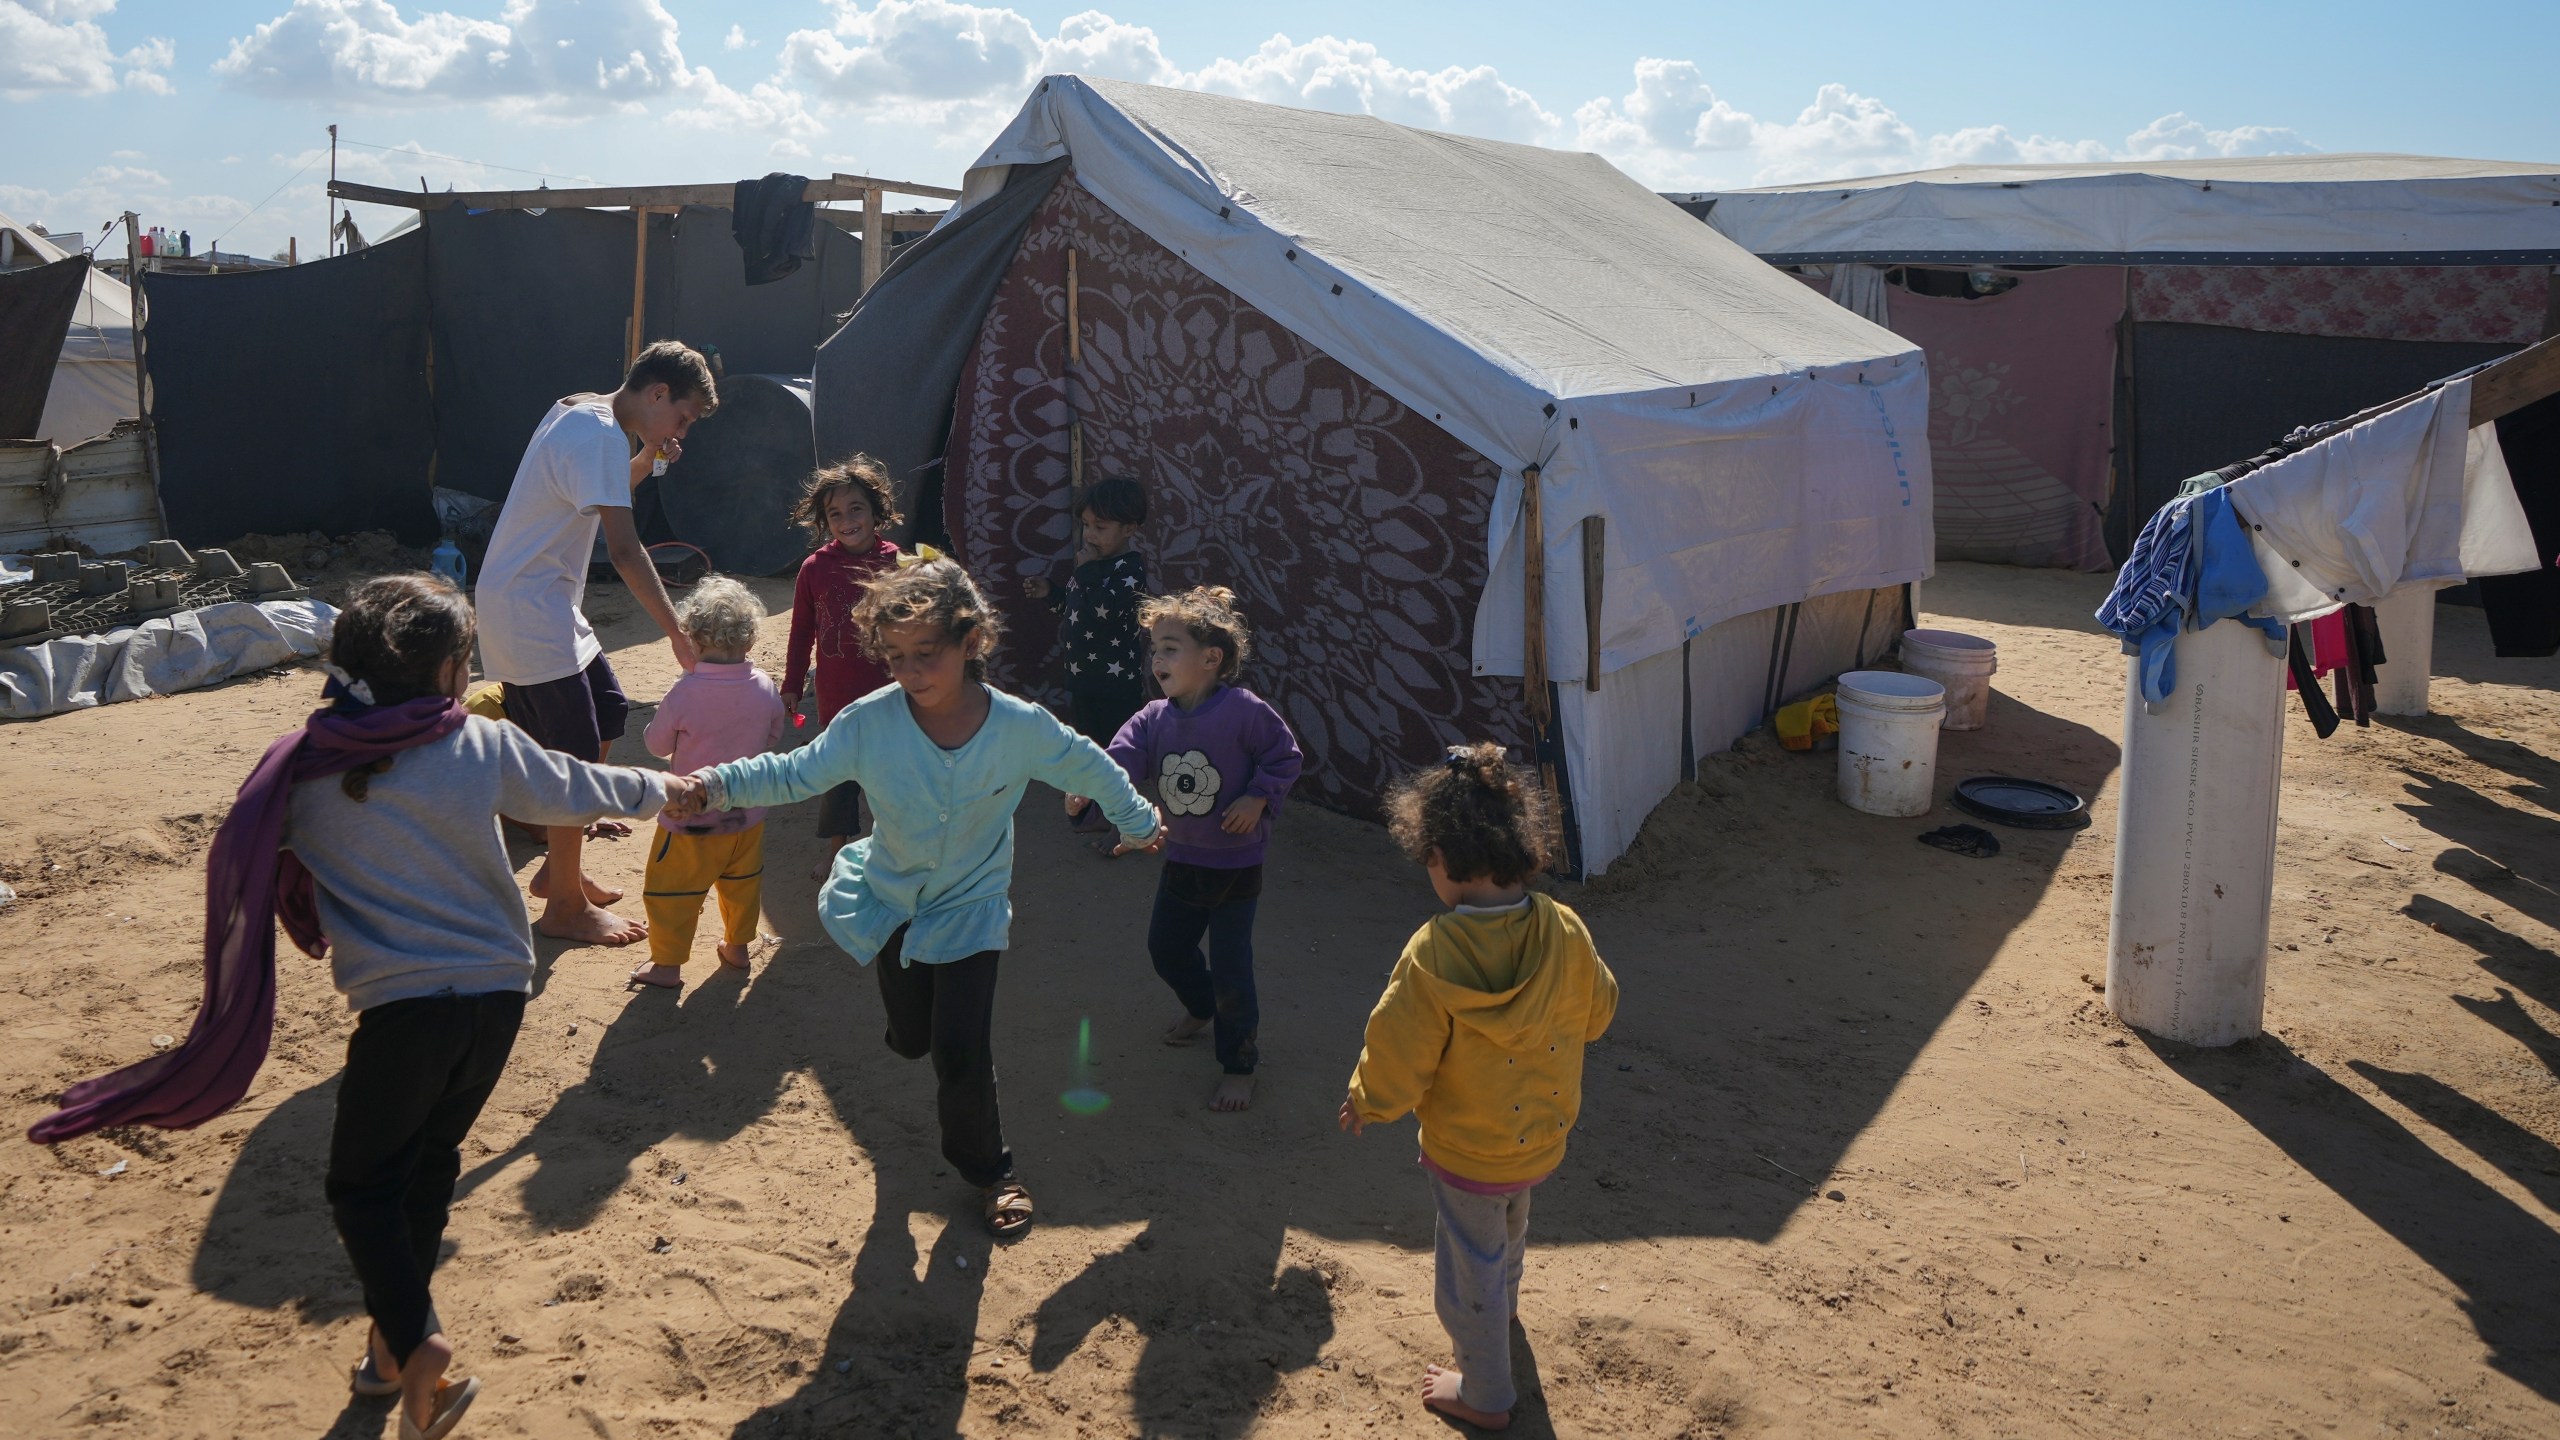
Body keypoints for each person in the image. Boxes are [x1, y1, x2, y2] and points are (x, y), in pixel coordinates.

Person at [663, 558, 1162, 1238]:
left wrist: (1138, 822)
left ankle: (990, 1172)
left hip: (973, 909)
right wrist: (713, 783)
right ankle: (910, 1029)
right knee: (911, 1038)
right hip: (892, 898)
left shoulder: (1020, 727)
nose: (911, 672)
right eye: (896, 658)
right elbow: (792, 773)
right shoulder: (870, 723)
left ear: (972, 641)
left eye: (927, 654)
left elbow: (1090, 765)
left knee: (961, 1050)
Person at [306, 576, 670, 1438]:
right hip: (496, 1002)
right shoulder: (478, 743)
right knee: (428, 1167)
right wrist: (672, 789)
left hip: (403, 1012)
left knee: (361, 1188)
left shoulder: (309, 770)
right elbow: (580, 787)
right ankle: (390, 1354)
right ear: (447, 672)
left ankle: (419, 1342)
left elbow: (250, 854)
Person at [1337, 743, 1619, 1432]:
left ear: (1437, 856)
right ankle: (1508, 1302)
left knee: (1468, 1273)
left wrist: (1369, 1099)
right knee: (1510, 1226)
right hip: (1542, 1133)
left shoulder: (1434, 952)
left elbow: (1399, 1048)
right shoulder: (1564, 926)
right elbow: (1600, 1010)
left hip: (1468, 1149)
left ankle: (1486, 1392)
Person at [474, 340, 718, 947]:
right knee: (574, 745)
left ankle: (562, 865)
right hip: (526, 609)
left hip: (549, 603)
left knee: (608, 712)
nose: (683, 427)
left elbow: (605, 488)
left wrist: (650, 455)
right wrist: (678, 635)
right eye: (682, 415)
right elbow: (626, 549)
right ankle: (563, 906)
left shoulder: (589, 414)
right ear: (657, 392)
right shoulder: (596, 434)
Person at [1079, 585, 1301, 1112]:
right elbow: (1118, 767)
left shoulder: (1245, 711)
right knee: (1166, 951)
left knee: (1231, 967)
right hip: (1182, 859)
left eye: (1170, 647)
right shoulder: (1152, 718)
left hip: (1237, 866)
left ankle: (1239, 1064)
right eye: (1154, 648)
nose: (1157, 658)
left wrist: (1256, 796)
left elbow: (1284, 757)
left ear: (1211, 658)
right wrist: (1086, 800)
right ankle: (1200, 1007)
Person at [632, 577, 787, 990]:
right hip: (747, 817)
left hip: (690, 817)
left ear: (694, 640)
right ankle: (737, 947)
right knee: (742, 885)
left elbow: (655, 744)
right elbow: (774, 735)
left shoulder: (684, 693)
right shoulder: (765, 687)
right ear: (749, 641)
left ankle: (666, 965)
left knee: (671, 892)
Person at [779, 456, 905, 879]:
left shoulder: (899, 564)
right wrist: (793, 684)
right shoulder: (815, 569)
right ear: (823, 521)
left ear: (876, 512)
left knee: (891, 776)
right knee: (839, 778)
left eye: (856, 509)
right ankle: (837, 852)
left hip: (891, 693)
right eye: (836, 513)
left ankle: (895, 850)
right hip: (836, 697)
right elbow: (801, 632)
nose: (847, 520)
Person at [1022, 474, 1150, 760]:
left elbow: (1107, 614)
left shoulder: (1128, 570)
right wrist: (1051, 593)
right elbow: (1076, 609)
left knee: (1117, 752)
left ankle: (1117, 802)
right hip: (1083, 678)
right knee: (1089, 751)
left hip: (1114, 684)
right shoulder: (1090, 567)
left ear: (1129, 528)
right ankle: (1089, 802)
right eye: (1086, 525)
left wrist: (1088, 572)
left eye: (1100, 527)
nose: (1090, 535)